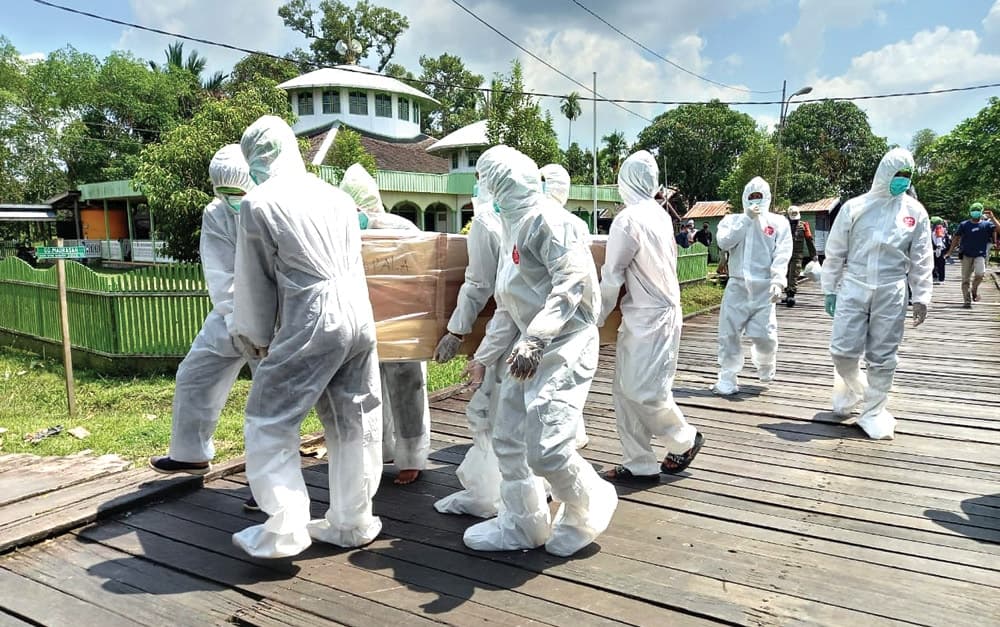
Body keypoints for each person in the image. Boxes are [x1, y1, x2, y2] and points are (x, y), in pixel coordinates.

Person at [230, 116, 382, 558]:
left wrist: (255, 336)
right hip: (358, 310)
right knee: (355, 419)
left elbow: (255, 279)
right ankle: (353, 521)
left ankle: (285, 525)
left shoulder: (259, 203)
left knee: (270, 418)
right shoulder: (334, 196)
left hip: (312, 314)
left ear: (257, 158)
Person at [462, 146, 618, 557]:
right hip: (526, 346)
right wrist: (482, 358)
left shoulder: (554, 222)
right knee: (508, 435)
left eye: (486, 179)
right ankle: (523, 524)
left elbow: (571, 285)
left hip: (565, 343)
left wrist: (537, 337)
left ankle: (590, 503)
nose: (482, 188)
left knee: (547, 445)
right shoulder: (510, 227)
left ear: (502, 183)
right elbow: (509, 305)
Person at [150, 145, 256, 483]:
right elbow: (220, 271)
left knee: (269, 396)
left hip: (277, 313)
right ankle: (190, 454)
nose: (232, 198)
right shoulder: (216, 213)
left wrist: (260, 322)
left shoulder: (274, 207)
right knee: (194, 373)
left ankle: (267, 483)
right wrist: (235, 319)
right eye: (224, 192)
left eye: (237, 191)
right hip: (231, 310)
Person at [597, 151, 703, 483]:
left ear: (624, 180)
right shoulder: (658, 215)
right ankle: (639, 462)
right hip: (647, 313)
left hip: (652, 315)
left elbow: (612, 275)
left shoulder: (628, 220)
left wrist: (595, 318)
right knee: (625, 390)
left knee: (644, 390)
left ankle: (683, 439)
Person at [822, 148, 932, 440]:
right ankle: (858, 390)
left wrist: (921, 295)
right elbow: (835, 251)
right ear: (884, 173)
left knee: (883, 356)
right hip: (855, 284)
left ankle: (872, 411)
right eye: (898, 175)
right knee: (842, 351)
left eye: (907, 176)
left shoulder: (914, 212)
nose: (902, 181)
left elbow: (922, 256)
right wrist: (829, 288)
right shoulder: (855, 207)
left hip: (891, 289)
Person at [339, 164, 431, 485]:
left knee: (407, 383)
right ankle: (382, 449)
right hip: (365, 318)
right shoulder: (343, 229)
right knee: (371, 385)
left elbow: (422, 269)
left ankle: (412, 456)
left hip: (403, 320)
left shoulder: (401, 228)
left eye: (359, 209)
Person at [431, 172, 504, 518]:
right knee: (518, 414)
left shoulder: (487, 221)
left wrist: (457, 331)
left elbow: (478, 283)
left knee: (489, 414)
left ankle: (493, 498)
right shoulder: (536, 216)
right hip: (537, 333)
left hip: (510, 331)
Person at [712, 177, 792, 396]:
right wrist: (747, 219)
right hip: (737, 286)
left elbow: (782, 254)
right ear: (745, 197)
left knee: (765, 336)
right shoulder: (732, 220)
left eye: (759, 197)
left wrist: (778, 281)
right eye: (751, 197)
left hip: (764, 289)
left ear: (767, 197)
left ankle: (766, 361)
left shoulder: (778, 223)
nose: (755, 201)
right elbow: (724, 242)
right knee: (729, 334)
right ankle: (727, 376)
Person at [540, 162, 591, 450]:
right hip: (567, 314)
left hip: (551, 312)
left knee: (554, 384)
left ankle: (560, 443)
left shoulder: (544, 221)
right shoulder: (576, 223)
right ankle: (571, 435)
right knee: (564, 381)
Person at [945, 202, 996, 308]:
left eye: (977, 210)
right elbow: (956, 238)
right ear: (970, 212)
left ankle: (974, 289)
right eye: (974, 210)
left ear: (981, 212)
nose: (975, 212)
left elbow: (998, 229)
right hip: (966, 255)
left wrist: (993, 217)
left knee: (980, 274)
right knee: (965, 279)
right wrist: (950, 251)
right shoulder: (964, 224)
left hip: (980, 255)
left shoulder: (986, 225)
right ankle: (967, 300)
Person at [781, 206, 817, 307]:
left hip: (797, 254)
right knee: (785, 274)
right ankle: (787, 292)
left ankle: (791, 295)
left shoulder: (804, 226)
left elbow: (809, 240)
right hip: (784, 253)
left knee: (794, 273)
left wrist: (813, 255)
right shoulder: (783, 225)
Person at [930, 217, 949, 284]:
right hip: (936, 249)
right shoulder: (934, 229)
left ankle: (941, 279)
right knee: (935, 264)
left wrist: (938, 247)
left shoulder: (938, 228)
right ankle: (936, 277)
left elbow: (939, 238)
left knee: (940, 264)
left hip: (939, 249)